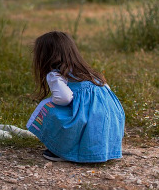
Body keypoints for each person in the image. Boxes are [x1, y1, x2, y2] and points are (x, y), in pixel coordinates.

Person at [26, 31, 125, 163]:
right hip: (111, 118)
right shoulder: (88, 73)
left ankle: (62, 150)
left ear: (45, 57)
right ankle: (102, 149)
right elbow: (107, 92)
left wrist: (52, 101)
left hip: (87, 119)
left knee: (47, 107)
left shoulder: (55, 75)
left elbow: (64, 98)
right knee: (88, 115)